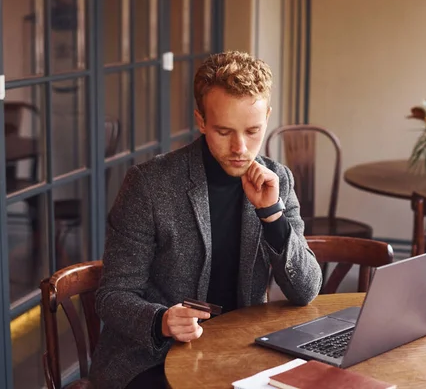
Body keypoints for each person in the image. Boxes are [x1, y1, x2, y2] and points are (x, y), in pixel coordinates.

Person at [89, 51, 323, 389]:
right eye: (224, 131)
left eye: (253, 130)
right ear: (201, 121)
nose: (240, 147)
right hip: (153, 357)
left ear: (268, 118)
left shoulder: (278, 180)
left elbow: (306, 290)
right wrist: (161, 321)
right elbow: (112, 295)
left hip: (242, 352)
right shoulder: (149, 184)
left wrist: (272, 215)